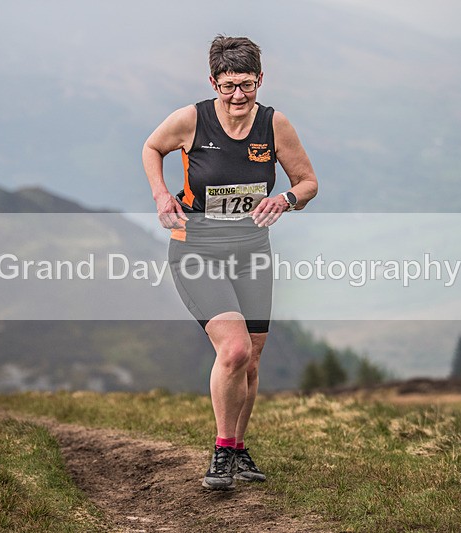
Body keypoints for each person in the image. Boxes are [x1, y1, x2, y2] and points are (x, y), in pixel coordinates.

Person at [142, 35, 317, 490]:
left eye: (246, 84)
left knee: (252, 360)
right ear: (213, 82)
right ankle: (221, 451)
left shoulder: (275, 125)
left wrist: (286, 199)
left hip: (251, 251)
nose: (237, 95)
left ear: (260, 80)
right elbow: (151, 148)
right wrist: (162, 194)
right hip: (196, 248)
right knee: (234, 350)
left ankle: (238, 450)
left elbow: (308, 181)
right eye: (227, 85)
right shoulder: (190, 120)